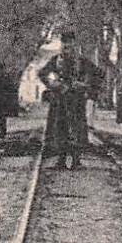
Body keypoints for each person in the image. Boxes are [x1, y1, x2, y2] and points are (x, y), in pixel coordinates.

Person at [39, 30, 94, 169]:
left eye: (70, 43)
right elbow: (42, 73)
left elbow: (97, 74)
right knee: (59, 129)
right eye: (64, 43)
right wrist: (53, 84)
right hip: (60, 100)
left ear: (74, 44)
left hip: (77, 100)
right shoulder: (56, 60)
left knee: (77, 129)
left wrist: (84, 85)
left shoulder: (82, 61)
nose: (67, 46)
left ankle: (76, 161)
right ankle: (61, 160)